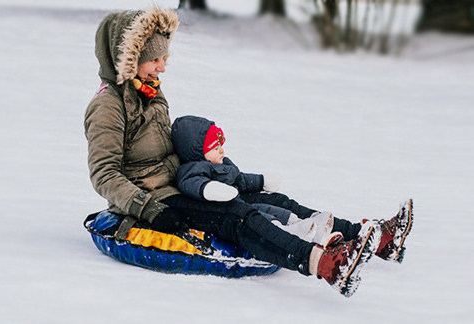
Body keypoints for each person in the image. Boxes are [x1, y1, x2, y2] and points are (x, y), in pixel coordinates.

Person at [84, 6, 413, 298]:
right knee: (238, 215)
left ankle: (372, 238)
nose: (162, 68)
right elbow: (105, 174)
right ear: (130, 57)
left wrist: (208, 165)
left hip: (184, 183)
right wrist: (150, 210)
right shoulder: (108, 107)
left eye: (164, 59)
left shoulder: (151, 93)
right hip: (155, 198)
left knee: (274, 201)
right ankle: (324, 264)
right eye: (155, 60)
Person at [171, 115, 344, 247]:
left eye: (221, 145)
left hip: (239, 202)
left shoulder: (224, 164)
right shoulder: (192, 168)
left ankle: (308, 227)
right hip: (226, 211)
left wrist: (261, 181)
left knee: (274, 207)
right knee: (261, 214)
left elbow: (241, 179)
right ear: (198, 152)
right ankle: (288, 232)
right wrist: (209, 189)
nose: (222, 151)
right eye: (216, 148)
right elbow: (190, 184)